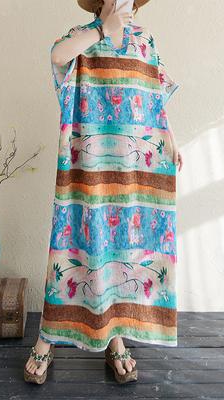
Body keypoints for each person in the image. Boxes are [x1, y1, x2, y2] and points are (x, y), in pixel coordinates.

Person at [24, 0, 183, 385]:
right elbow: (57, 56)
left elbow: (155, 97)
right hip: (87, 167)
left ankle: (115, 337)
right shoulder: (81, 38)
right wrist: (101, 30)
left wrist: (171, 139)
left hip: (133, 170)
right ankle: (47, 337)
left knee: (122, 250)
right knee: (76, 247)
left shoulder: (145, 41)